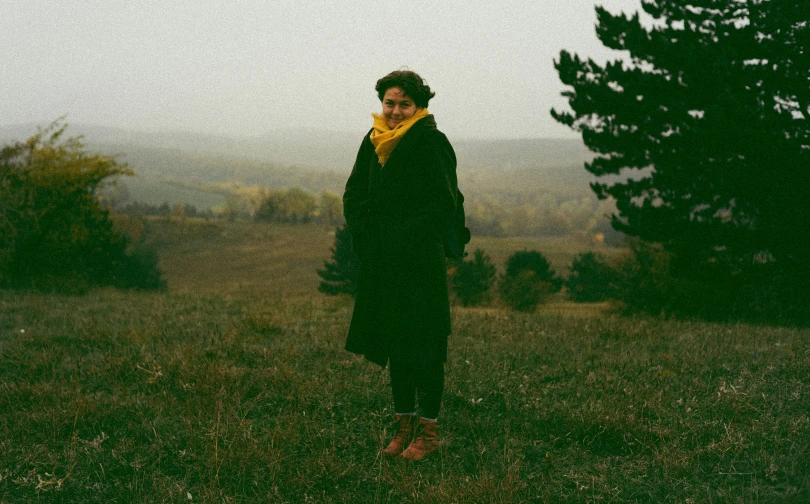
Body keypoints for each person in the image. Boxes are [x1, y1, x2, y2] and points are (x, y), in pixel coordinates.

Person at [342, 69, 460, 461]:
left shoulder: (430, 141)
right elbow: (354, 192)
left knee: (425, 345)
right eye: (389, 103)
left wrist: (401, 237)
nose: (394, 111)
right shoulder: (373, 140)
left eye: (403, 104)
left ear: (419, 105)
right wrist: (366, 234)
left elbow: (442, 203)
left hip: (418, 261)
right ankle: (403, 428)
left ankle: (427, 434)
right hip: (383, 261)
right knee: (396, 343)